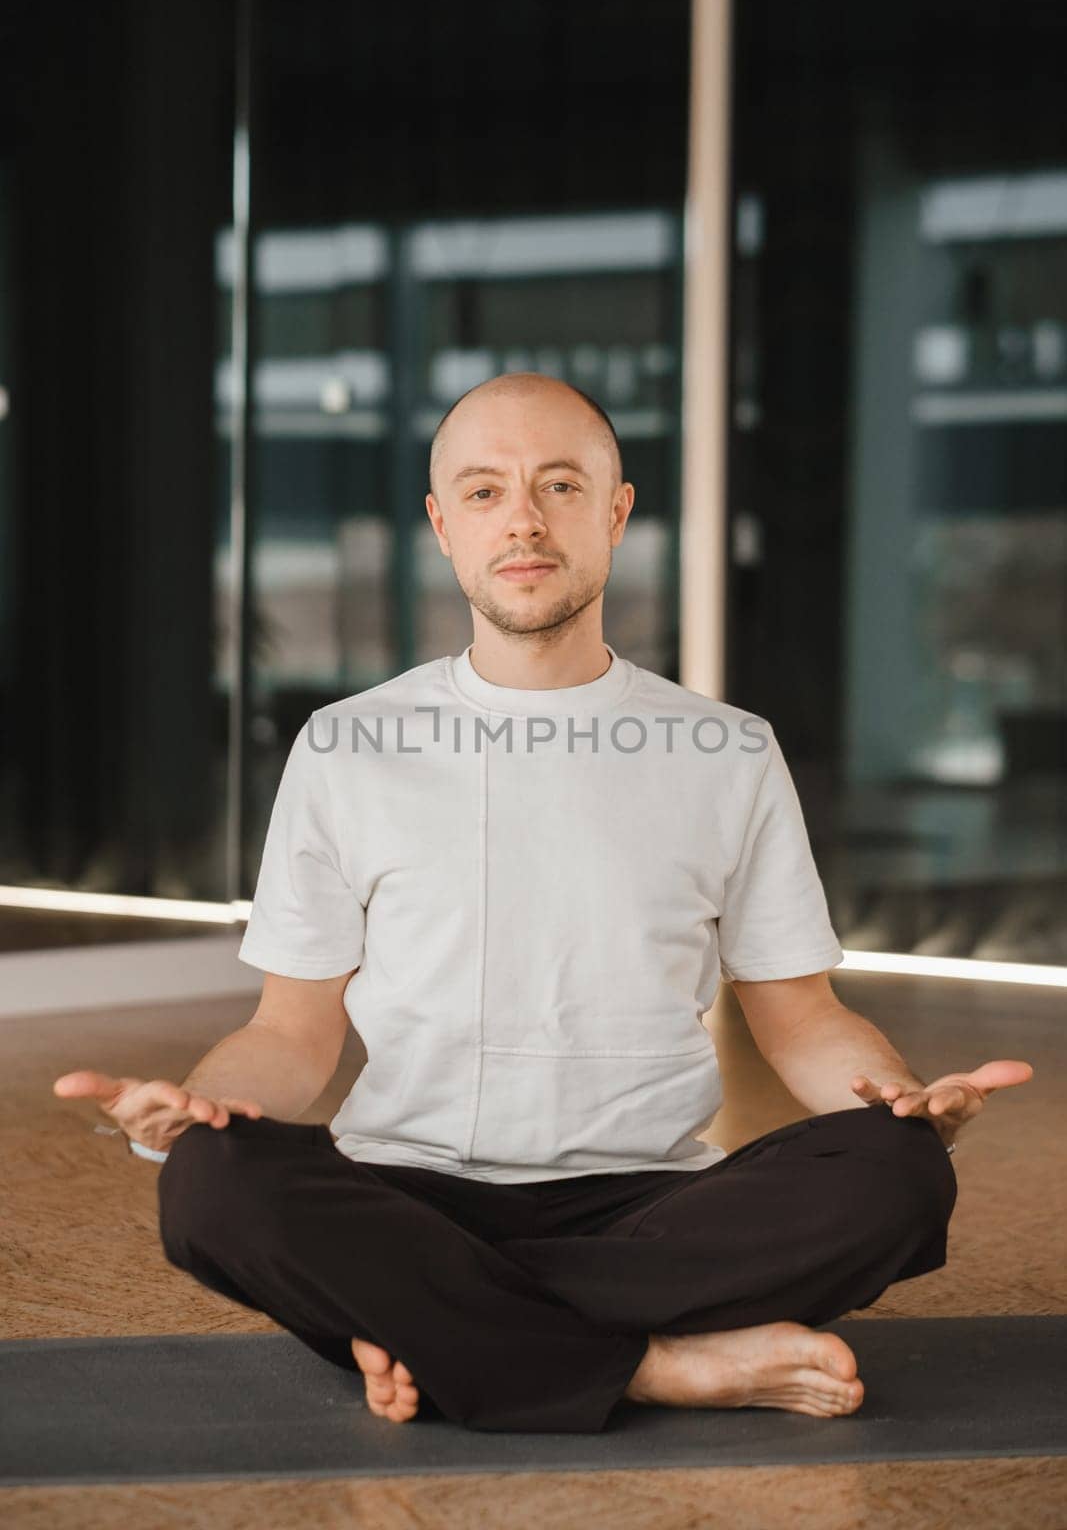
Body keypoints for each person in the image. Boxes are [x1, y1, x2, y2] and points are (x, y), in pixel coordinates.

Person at [54, 373, 1034, 1434]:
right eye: (482, 492)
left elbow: (796, 1016)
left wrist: (893, 1099)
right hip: (406, 1193)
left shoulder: (727, 751)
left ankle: (444, 1330)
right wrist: (201, 1107)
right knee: (208, 1188)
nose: (520, 518)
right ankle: (658, 1363)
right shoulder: (346, 746)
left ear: (614, 513)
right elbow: (290, 1031)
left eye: (558, 484)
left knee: (893, 1175)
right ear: (440, 525)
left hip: (651, 1200)